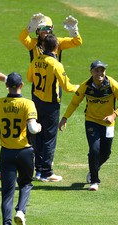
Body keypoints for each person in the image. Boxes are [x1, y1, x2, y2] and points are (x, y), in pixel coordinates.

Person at [58, 60, 118, 191]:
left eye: (102, 70)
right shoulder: (85, 86)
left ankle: (93, 169)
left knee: (106, 153)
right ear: (91, 71)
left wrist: (114, 115)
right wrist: (64, 118)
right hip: (92, 122)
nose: (100, 73)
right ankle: (94, 181)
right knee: (94, 150)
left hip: (108, 123)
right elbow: (74, 103)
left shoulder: (112, 84)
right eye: (97, 70)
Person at [0, 72, 42, 225]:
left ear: (7, 86)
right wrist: (40, 126)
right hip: (25, 152)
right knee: (26, 183)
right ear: (21, 85)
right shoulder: (28, 103)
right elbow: (33, 129)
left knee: (7, 193)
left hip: (6, 153)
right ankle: (20, 211)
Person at [27, 34, 79, 182]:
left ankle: (38, 170)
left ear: (43, 46)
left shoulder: (36, 59)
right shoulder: (56, 64)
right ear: (56, 47)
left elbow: (30, 78)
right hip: (50, 105)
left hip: (37, 101)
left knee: (38, 135)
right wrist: (78, 87)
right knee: (49, 138)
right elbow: (67, 87)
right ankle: (47, 172)